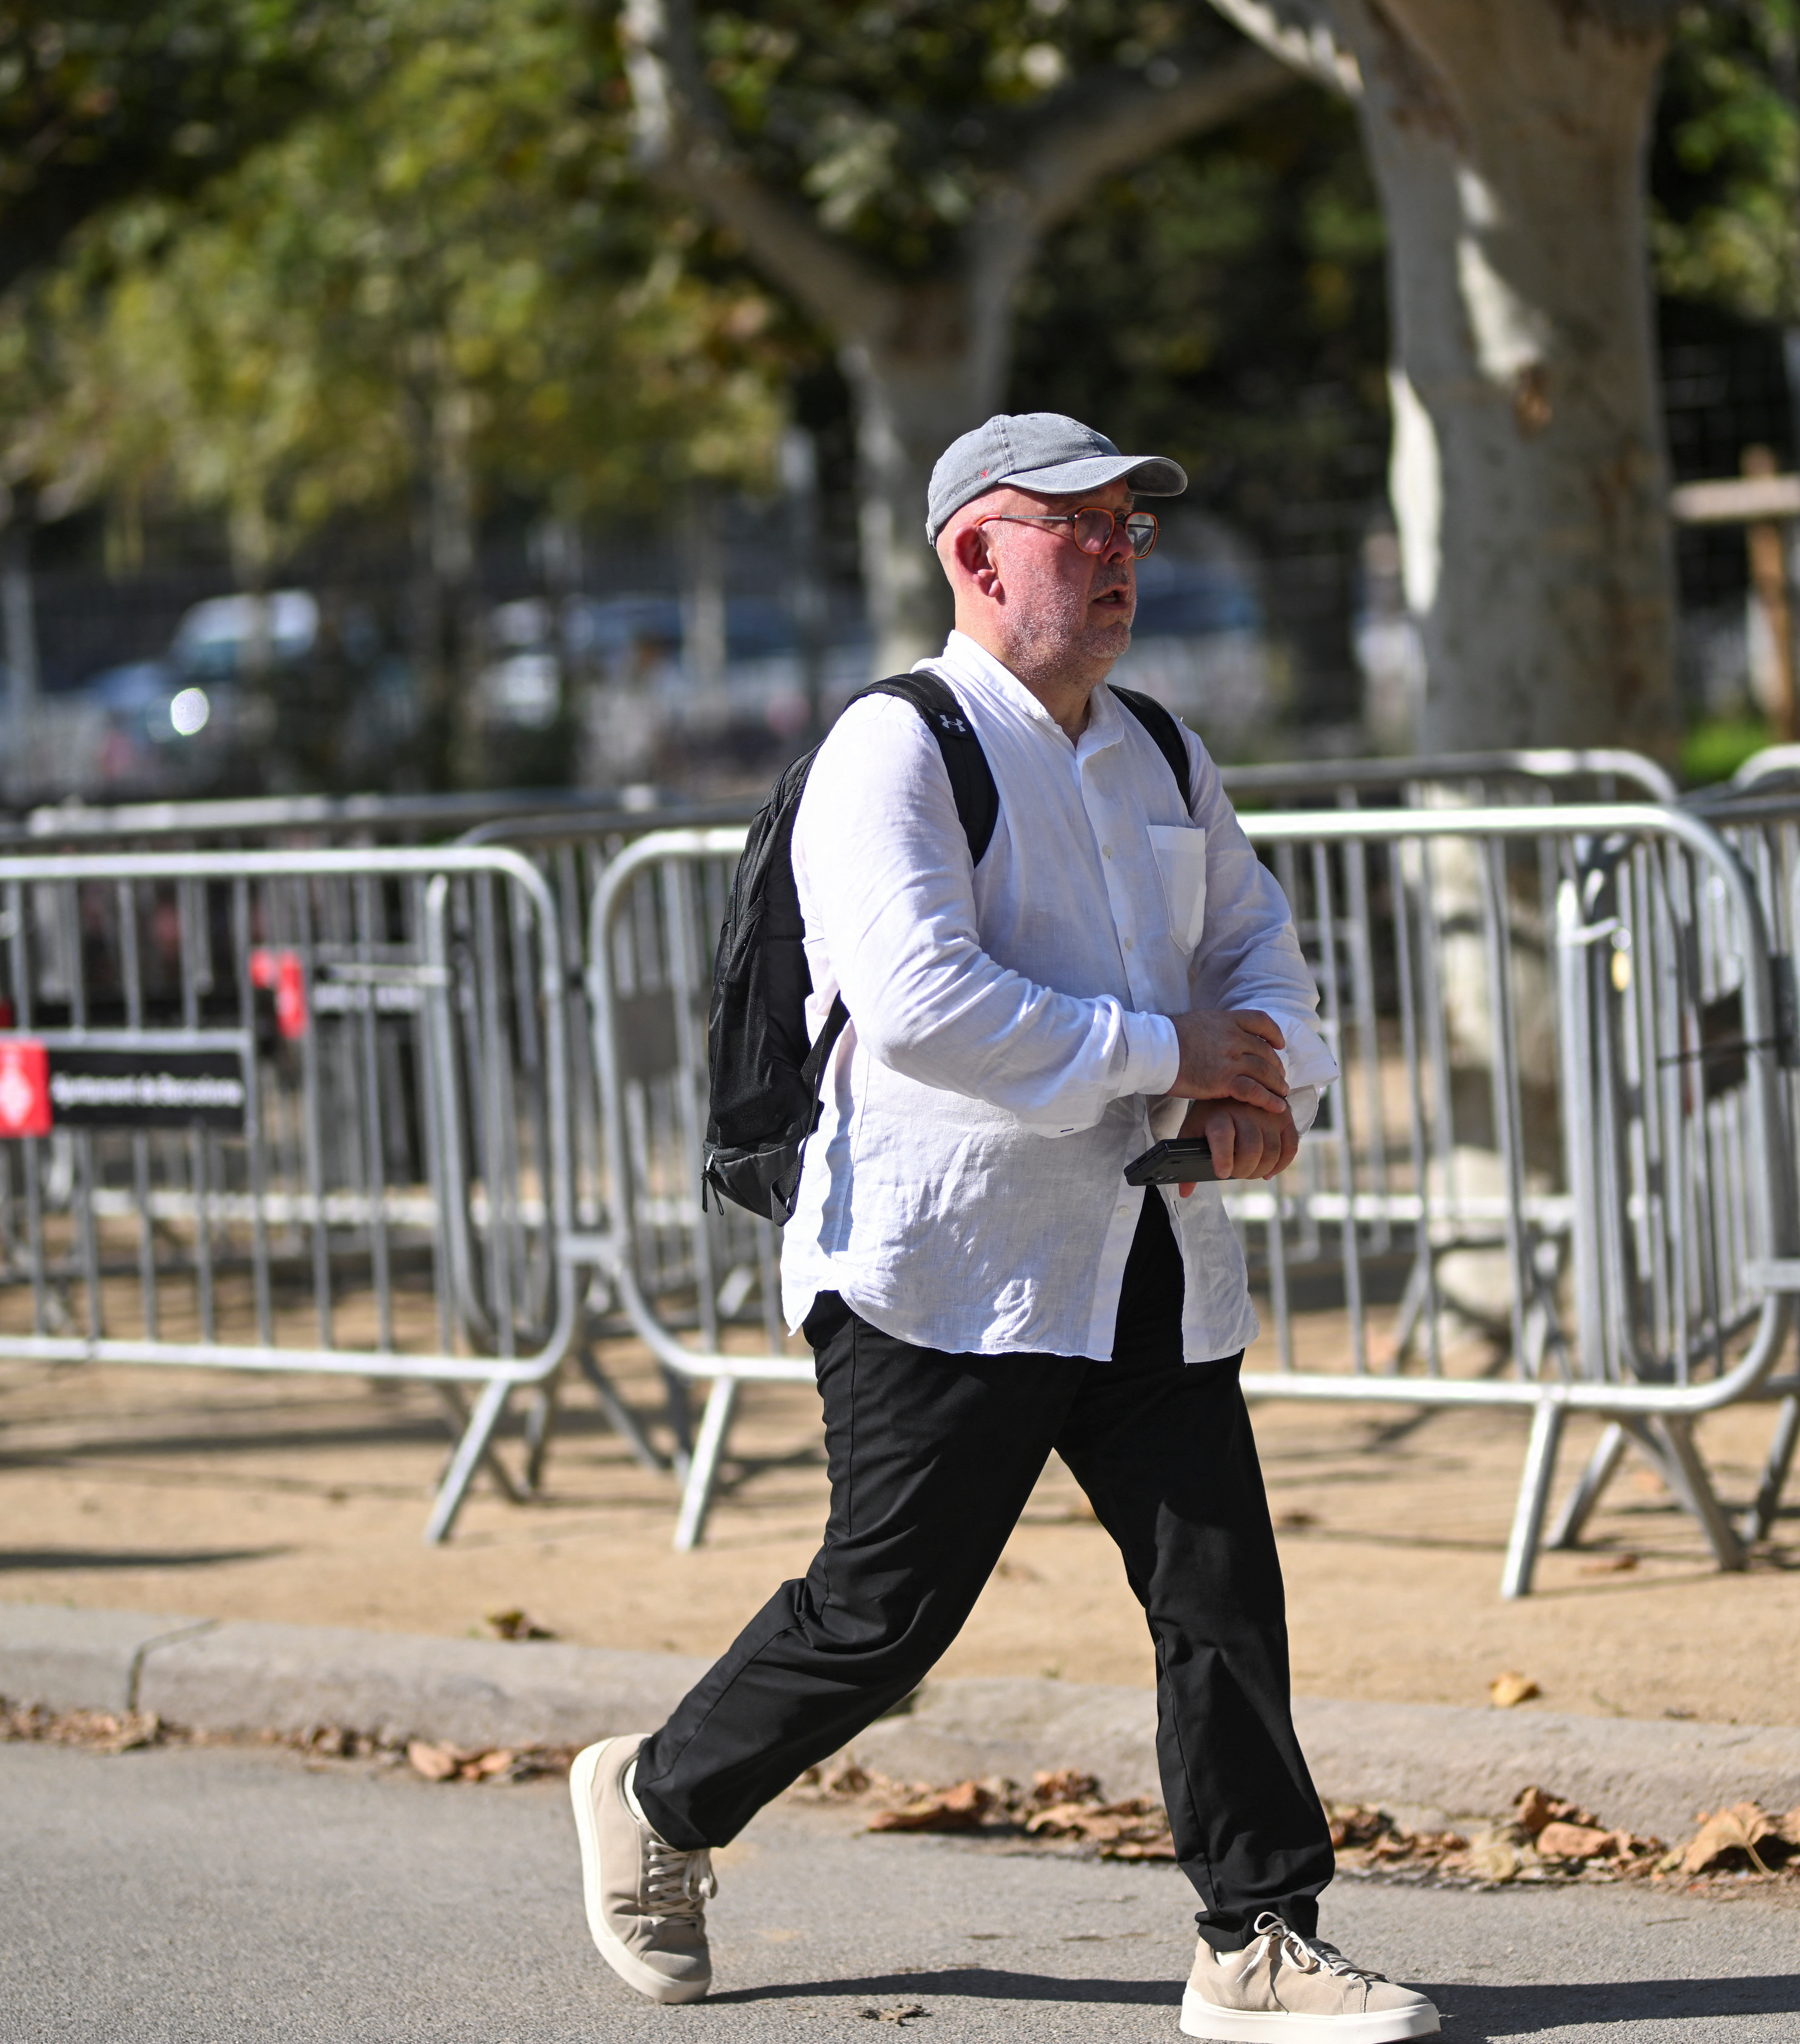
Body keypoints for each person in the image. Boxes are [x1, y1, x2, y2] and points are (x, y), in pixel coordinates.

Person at [571, 413, 1438, 2042]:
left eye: (1132, 529)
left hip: (1145, 1251)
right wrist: (1169, 1054)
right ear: (975, 552)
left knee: (1220, 1594)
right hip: (939, 1261)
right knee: (881, 1617)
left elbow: (1256, 954)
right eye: (1079, 526)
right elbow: (920, 1007)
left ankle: (1257, 1934)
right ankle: (661, 1796)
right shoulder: (893, 747)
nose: (1118, 555)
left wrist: (1273, 1086)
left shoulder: (1164, 749)